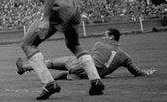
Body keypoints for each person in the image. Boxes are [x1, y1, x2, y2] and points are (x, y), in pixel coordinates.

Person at [12, 0, 104, 99]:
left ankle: (49, 84)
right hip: (72, 4)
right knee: (74, 45)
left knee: (28, 44)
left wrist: (46, 19)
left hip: (59, 7)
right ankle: (96, 81)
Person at [16, 28, 156, 80]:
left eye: (105, 35)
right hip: (93, 75)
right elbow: (136, 72)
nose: (103, 37)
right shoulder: (124, 56)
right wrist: (147, 72)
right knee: (70, 70)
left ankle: (25, 67)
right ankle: (67, 75)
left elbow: (87, 60)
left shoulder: (99, 45)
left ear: (112, 37)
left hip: (84, 69)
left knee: (54, 62)